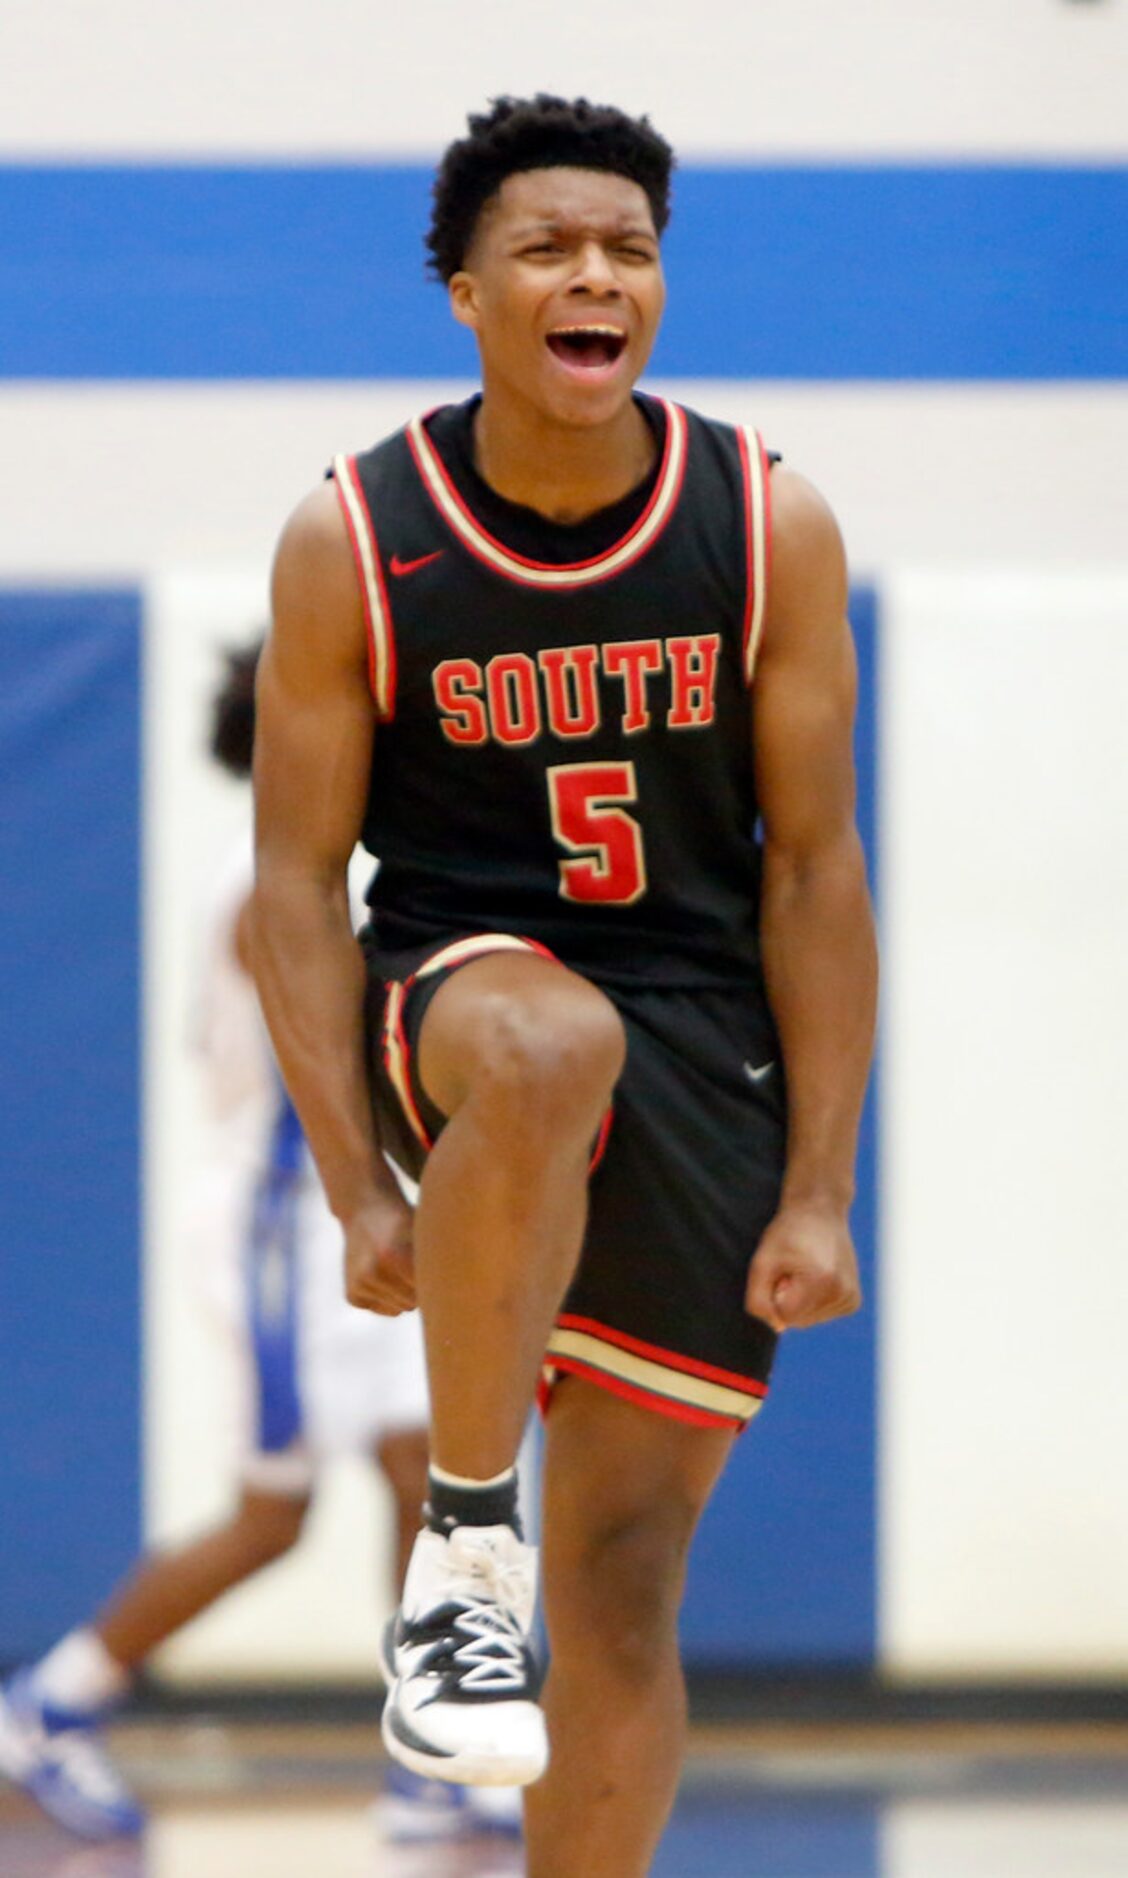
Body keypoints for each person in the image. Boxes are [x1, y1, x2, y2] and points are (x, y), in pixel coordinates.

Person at [250, 93, 878, 1878]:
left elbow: (816, 870)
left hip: (702, 1040)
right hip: (456, 995)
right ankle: (459, 1552)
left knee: (618, 1588)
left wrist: (822, 1182)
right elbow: (293, 880)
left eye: (628, 249)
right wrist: (353, 1175)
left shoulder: (764, 520)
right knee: (545, 1031)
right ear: (465, 291)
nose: (595, 275)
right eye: (547, 247)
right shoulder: (354, 534)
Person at [0, 643, 517, 1848]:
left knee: (427, 1470)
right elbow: (333, 1064)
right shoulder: (268, 883)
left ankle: (431, 1753)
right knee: (276, 1512)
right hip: (286, 1221)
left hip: (341, 1211)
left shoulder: (318, 866)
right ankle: (53, 1701)